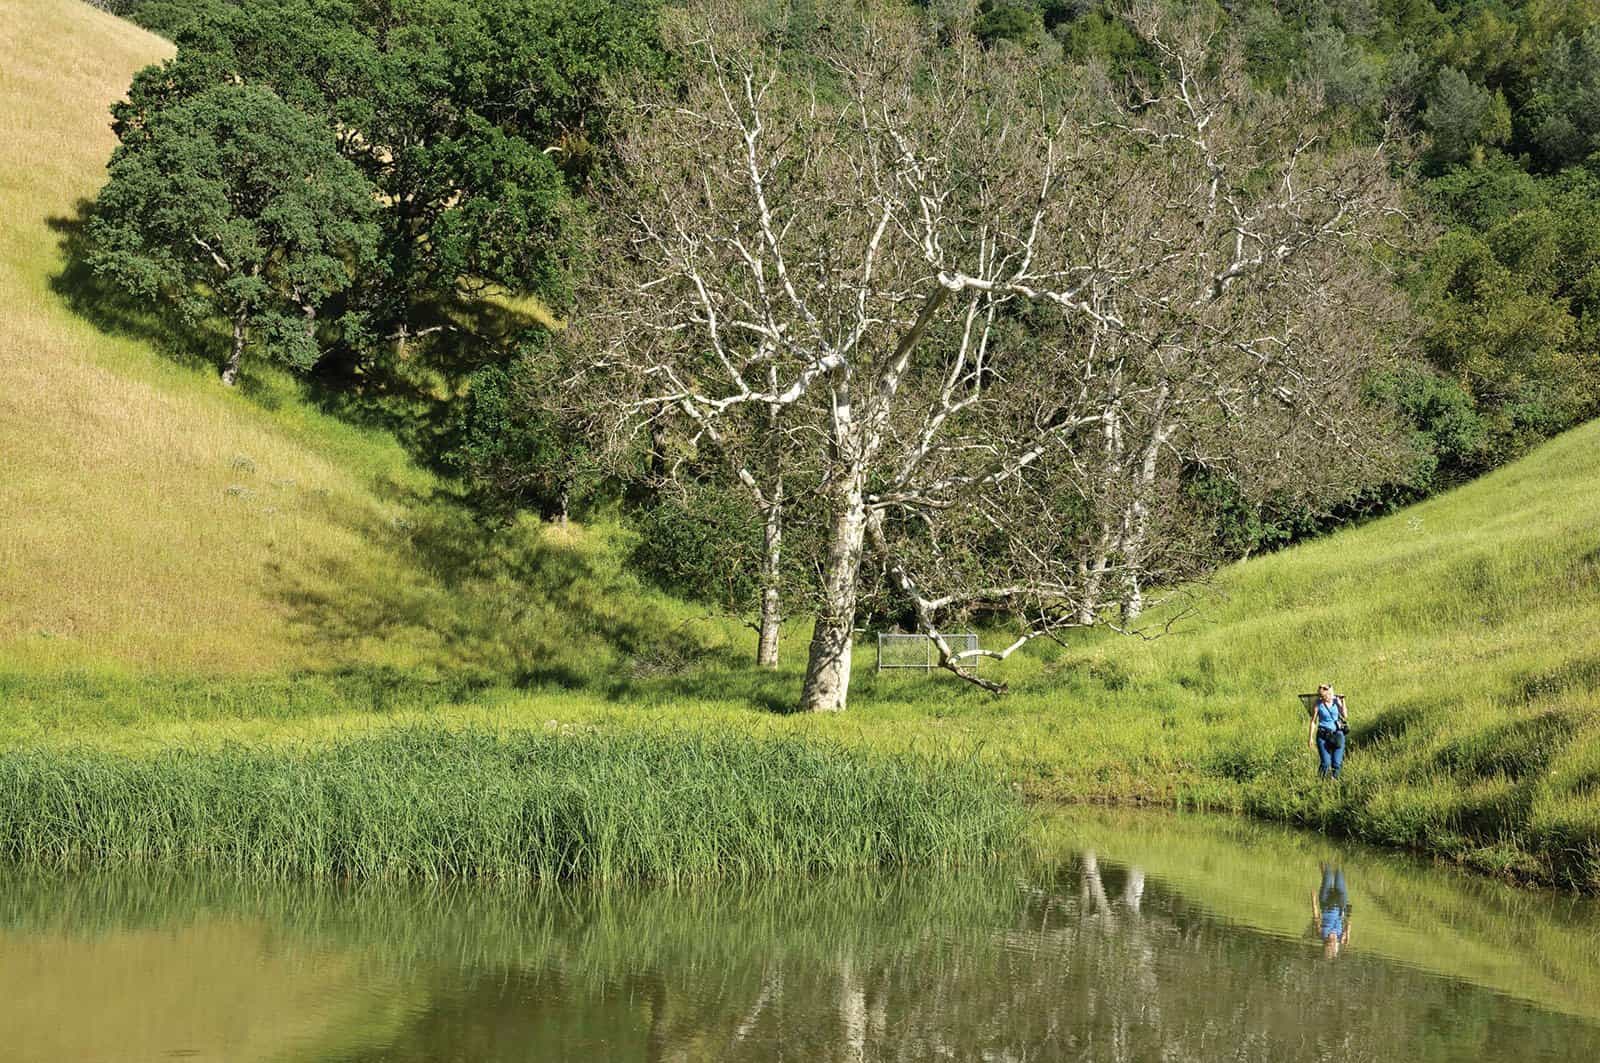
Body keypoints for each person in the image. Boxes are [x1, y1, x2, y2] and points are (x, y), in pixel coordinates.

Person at [1310, 862, 1352, 959]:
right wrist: (1347, 934)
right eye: (1333, 948)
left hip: (1326, 902)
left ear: (1325, 945)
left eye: (1329, 947)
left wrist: (1313, 901)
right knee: (1339, 873)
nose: (1332, 945)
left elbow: (1316, 916)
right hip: (1341, 903)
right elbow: (1349, 923)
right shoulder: (1340, 937)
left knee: (1328, 873)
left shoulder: (1321, 933)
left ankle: (1325, 859)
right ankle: (1339, 859)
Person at [1307, 682, 1347, 779]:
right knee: (1325, 763)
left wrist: (1342, 702)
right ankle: (1320, 781)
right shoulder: (1318, 705)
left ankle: (1334, 780)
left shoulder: (1336, 702)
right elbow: (1313, 722)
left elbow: (1345, 715)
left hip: (1337, 735)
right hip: (1323, 735)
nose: (1329, 697)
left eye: (1330, 694)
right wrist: (1310, 738)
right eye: (1326, 695)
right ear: (1322, 696)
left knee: (1336, 763)